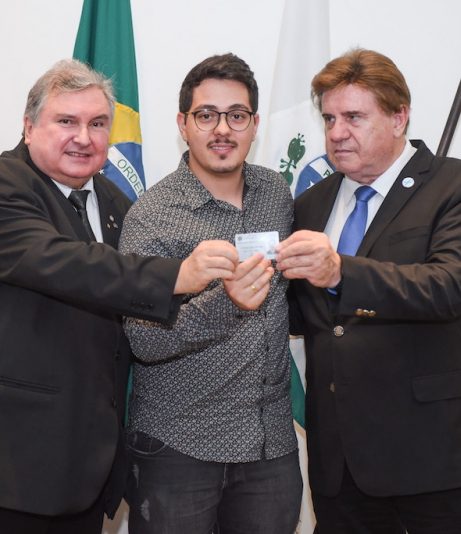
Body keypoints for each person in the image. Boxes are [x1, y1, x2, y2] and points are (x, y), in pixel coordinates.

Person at [0, 59, 239, 533]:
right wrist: (179, 274)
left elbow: (131, 312)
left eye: (97, 124)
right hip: (6, 464)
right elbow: (65, 264)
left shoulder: (118, 204)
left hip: (87, 468)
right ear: (29, 127)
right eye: (66, 121)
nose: (84, 138)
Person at [276, 48, 461, 533]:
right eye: (330, 119)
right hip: (341, 466)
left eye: (354, 117)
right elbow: (308, 315)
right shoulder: (311, 204)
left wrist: (340, 271)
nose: (337, 133)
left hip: (438, 458)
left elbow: (447, 288)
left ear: (399, 117)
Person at [119, 53, 302, 534]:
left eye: (236, 115)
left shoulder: (276, 194)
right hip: (178, 448)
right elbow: (144, 341)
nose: (222, 129)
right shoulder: (151, 216)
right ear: (183, 124)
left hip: (271, 447)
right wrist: (227, 303)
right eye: (206, 115)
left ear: (254, 124)